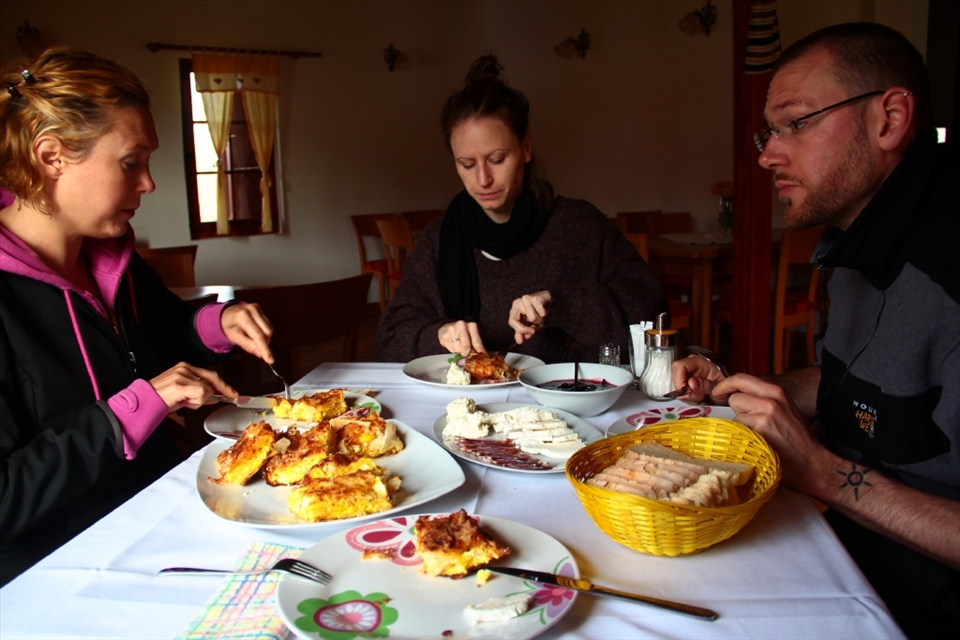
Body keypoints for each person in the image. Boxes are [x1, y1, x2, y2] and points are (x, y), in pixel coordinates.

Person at [673, 23, 959, 638]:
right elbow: (850, 384)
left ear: (889, 118)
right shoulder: (860, 246)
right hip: (840, 551)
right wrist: (740, 387)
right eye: (768, 132)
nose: (765, 154)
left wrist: (821, 472)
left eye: (795, 124)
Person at [0, 49, 277, 586]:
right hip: (59, 574)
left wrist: (216, 324)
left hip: (155, 523)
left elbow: (163, 331)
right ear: (51, 156)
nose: (149, 183)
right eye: (131, 162)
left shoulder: (112, 258)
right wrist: (134, 408)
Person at [375, 55, 666, 364]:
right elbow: (388, 340)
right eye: (467, 164)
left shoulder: (580, 226)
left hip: (563, 403)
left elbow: (650, 312)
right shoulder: (438, 241)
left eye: (498, 159)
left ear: (526, 148)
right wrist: (439, 334)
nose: (483, 179)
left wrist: (559, 303)